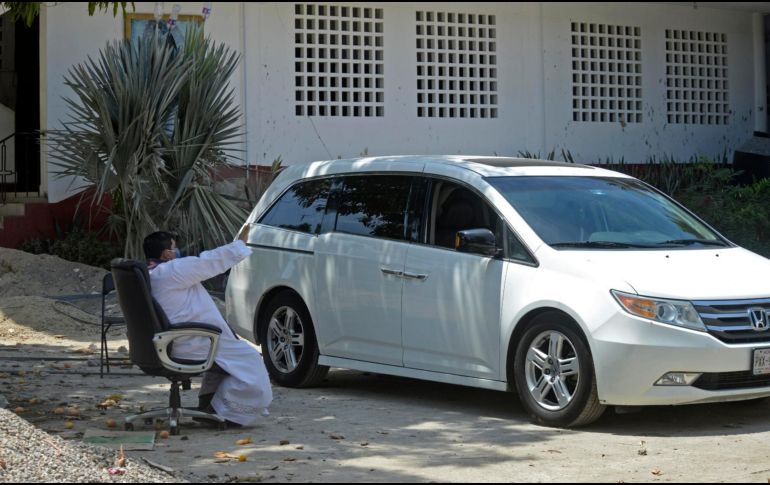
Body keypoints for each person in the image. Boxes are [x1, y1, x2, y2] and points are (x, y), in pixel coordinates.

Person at [142, 226, 272, 427]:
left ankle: (208, 406)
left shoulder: (151, 274)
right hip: (193, 339)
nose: (178, 252)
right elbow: (207, 262)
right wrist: (239, 245)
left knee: (228, 360)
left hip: (173, 341)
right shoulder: (171, 271)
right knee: (251, 361)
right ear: (167, 253)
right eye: (175, 248)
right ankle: (228, 413)